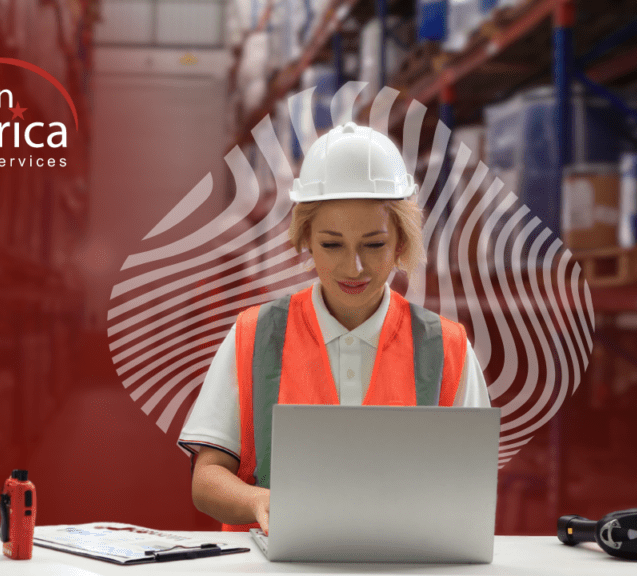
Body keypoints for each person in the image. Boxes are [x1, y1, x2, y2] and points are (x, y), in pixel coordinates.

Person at [177, 122, 491, 533]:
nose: (353, 267)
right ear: (306, 237)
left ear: (401, 241)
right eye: (332, 244)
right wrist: (259, 501)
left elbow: (473, 487)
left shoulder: (448, 349)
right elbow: (207, 479)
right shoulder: (252, 336)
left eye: (374, 244)